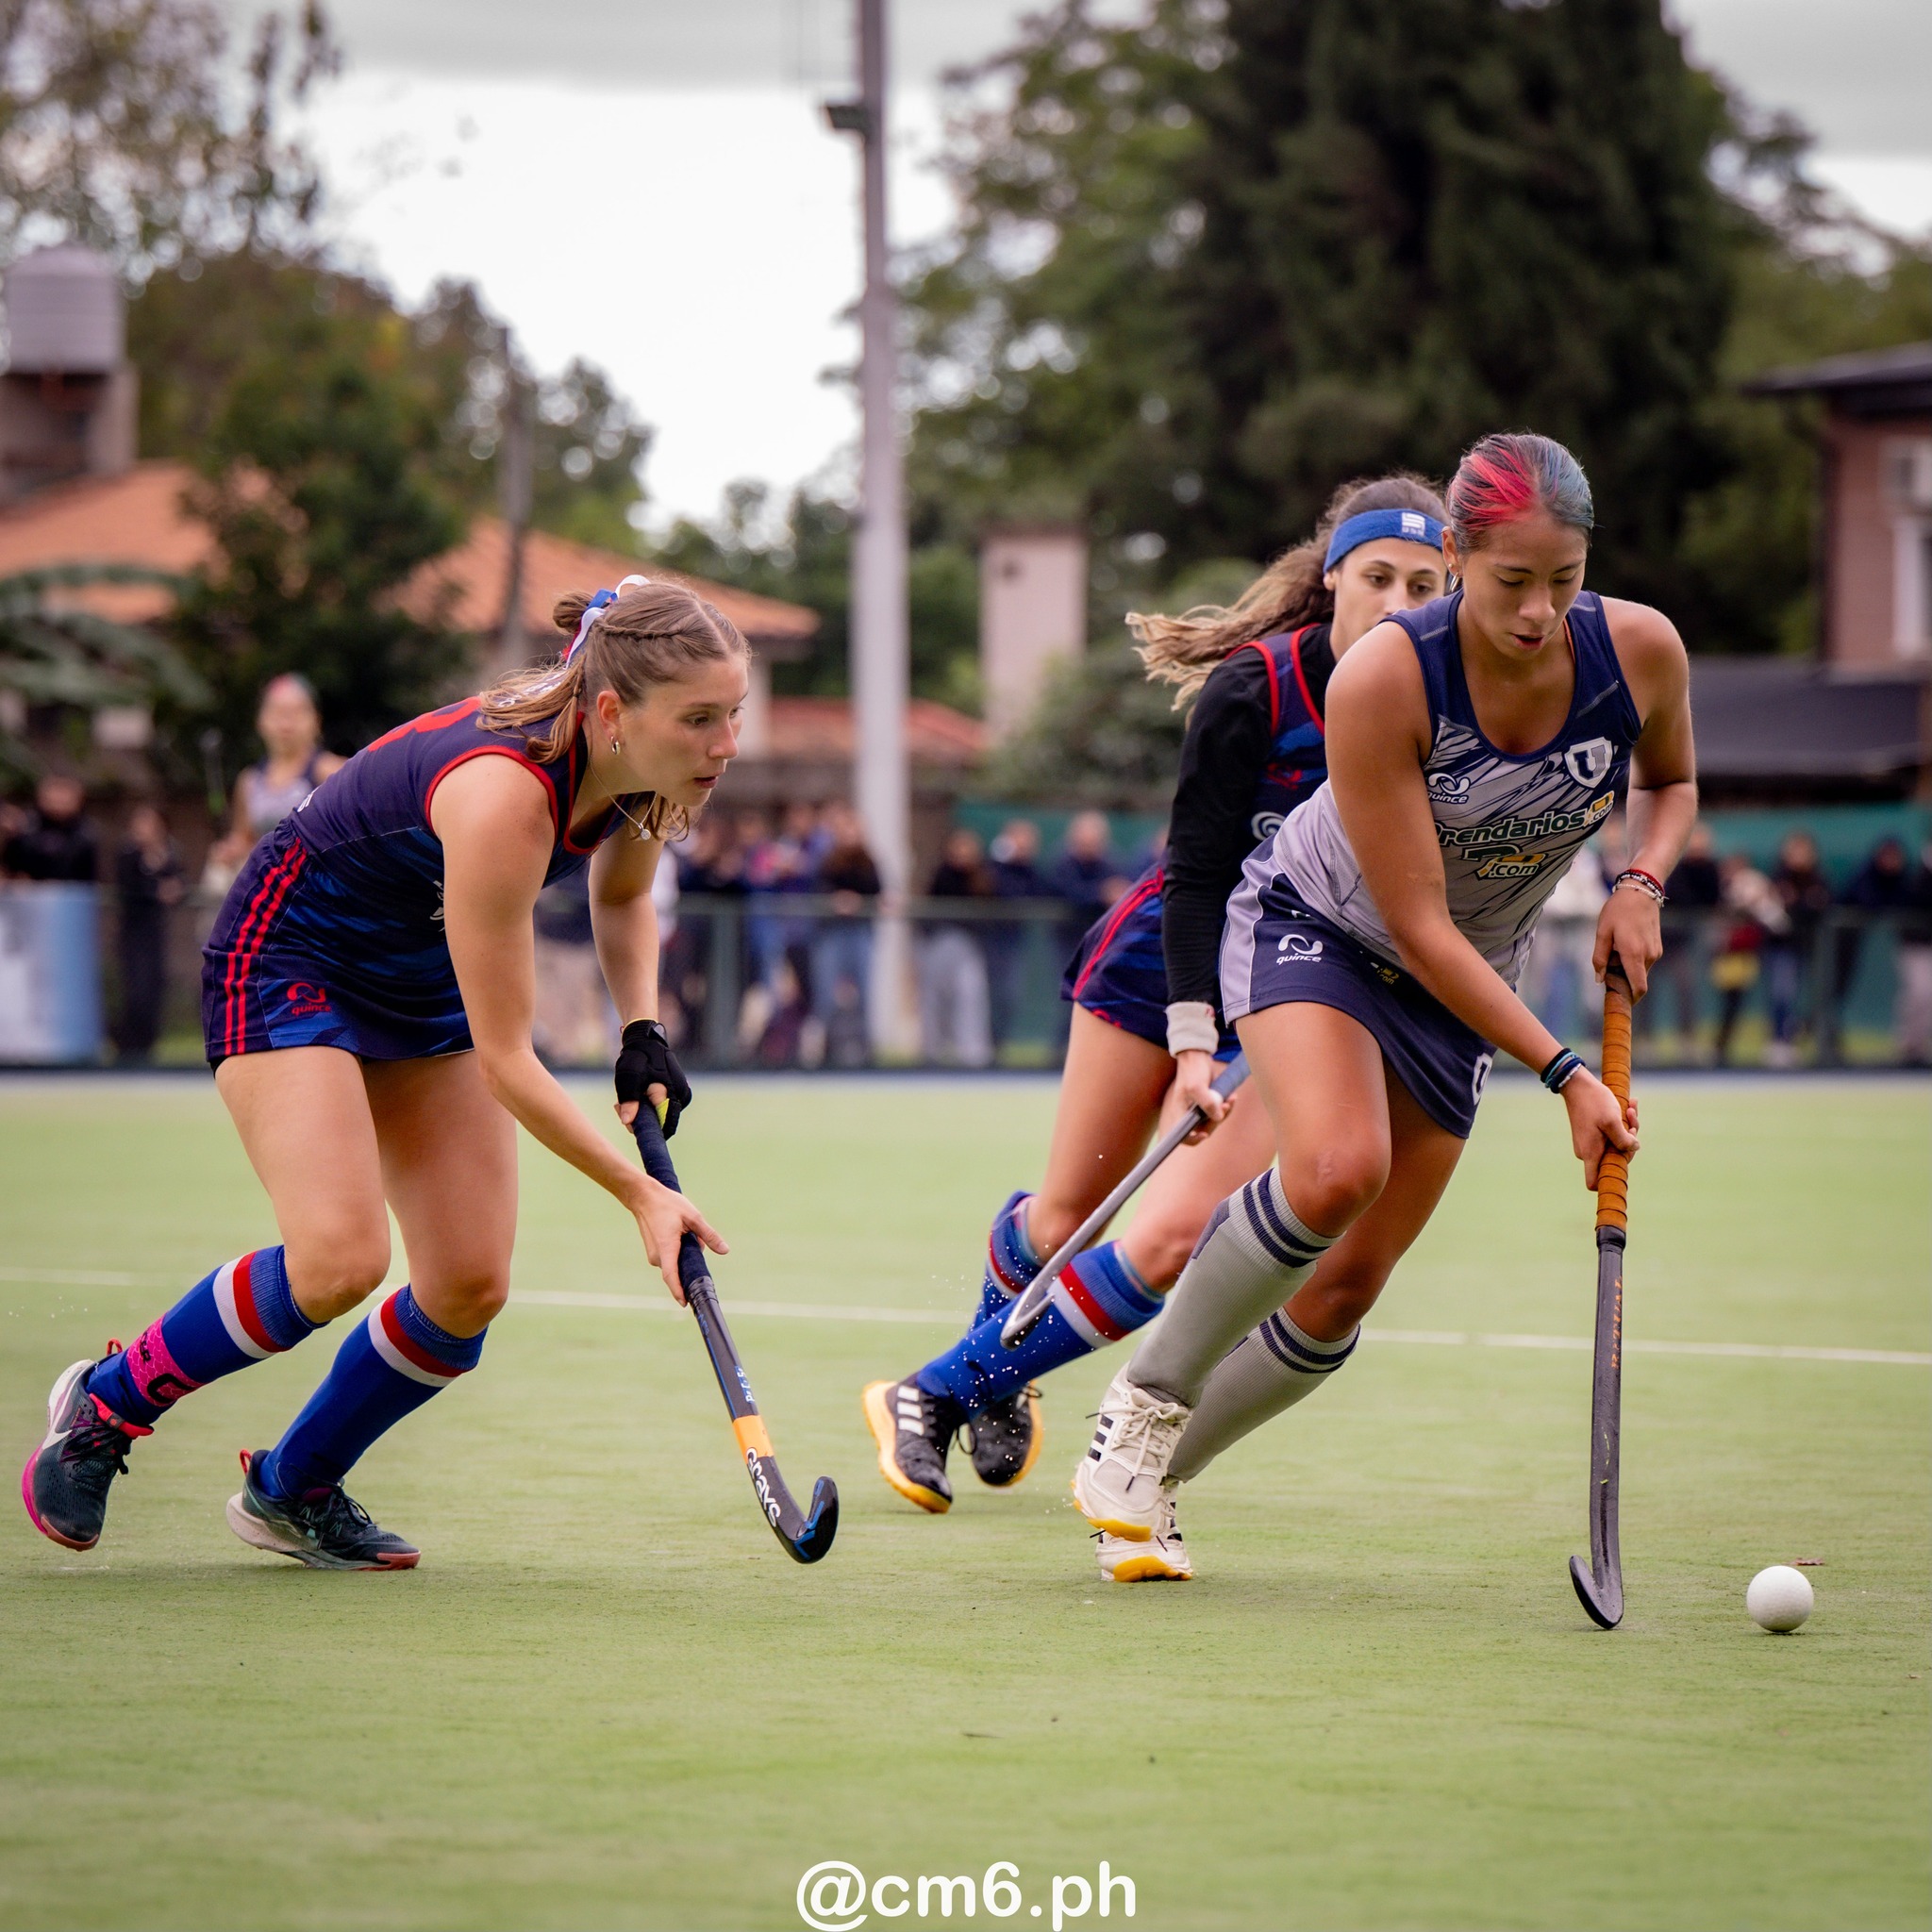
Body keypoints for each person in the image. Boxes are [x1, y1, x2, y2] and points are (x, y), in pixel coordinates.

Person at [1066, 431, 1695, 1585]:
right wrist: (1565, 1071)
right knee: (1333, 1166)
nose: (1537, 613)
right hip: (1327, 928)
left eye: (1562, 580)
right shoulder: (1388, 677)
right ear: (1456, 557)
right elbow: (1414, 923)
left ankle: (1151, 1476)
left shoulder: (1638, 650)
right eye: (1509, 582)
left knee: (1348, 1286)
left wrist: (1641, 879)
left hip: (1465, 981)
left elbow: (1670, 781)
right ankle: (1143, 1396)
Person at [22, 577, 735, 1569]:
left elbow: (621, 899)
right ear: (613, 711)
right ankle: (109, 1400)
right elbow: (507, 1062)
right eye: (701, 718)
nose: (724, 744)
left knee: (467, 1282)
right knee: (336, 1259)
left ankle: (293, 1485)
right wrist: (640, 1194)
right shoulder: (504, 798)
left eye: (732, 714)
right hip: (290, 959)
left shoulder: (647, 772)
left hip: (418, 978)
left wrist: (643, 1027)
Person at [862, 473, 1450, 1521]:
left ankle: (945, 1386)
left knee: (1173, 1233)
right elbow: (1193, 877)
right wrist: (1188, 1043)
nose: (1399, 604)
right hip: (1161, 964)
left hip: (1292, 985)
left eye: (1423, 583)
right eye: (1376, 578)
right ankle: (1000, 1359)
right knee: (1064, 1214)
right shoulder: (1256, 688)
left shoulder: (1440, 710)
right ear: (1330, 578)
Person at [208, 674, 344, 880]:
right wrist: (230, 850)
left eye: (297, 712)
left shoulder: (330, 772)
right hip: (271, 894)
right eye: (277, 712)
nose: (286, 722)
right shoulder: (249, 781)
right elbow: (245, 838)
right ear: (260, 720)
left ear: (316, 720)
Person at [918, 826, 996, 1067]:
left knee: (969, 997)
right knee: (933, 998)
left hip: (970, 945)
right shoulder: (942, 874)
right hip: (940, 942)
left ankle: (972, 1054)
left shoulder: (982, 876)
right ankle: (932, 1052)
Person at [113, 803, 185, 1061]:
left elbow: (179, 885)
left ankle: (146, 1047)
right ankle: (126, 1046)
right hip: (133, 931)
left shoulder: (169, 853)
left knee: (154, 986)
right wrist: (157, 890)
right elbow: (129, 887)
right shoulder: (128, 854)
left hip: (156, 931)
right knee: (136, 989)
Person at [810, 801, 880, 1069]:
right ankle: (825, 1052)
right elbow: (818, 890)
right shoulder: (828, 860)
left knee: (864, 994)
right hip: (832, 933)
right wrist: (835, 901)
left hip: (860, 932)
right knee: (826, 994)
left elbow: (877, 891)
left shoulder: (868, 861)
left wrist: (859, 902)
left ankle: (866, 1052)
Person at [1763, 830, 1830, 1067]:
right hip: (1782, 948)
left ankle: (1810, 1042)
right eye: (1794, 850)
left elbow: (1820, 905)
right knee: (1783, 992)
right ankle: (1780, 1041)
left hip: (1813, 948)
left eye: (1803, 850)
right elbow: (1773, 911)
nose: (1798, 855)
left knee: (1817, 996)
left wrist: (1803, 903)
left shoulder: (1817, 878)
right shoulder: (1779, 878)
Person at [1657, 821, 1722, 1054]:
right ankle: (1643, 1041)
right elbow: (1673, 896)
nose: (1698, 844)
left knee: (1687, 988)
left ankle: (1687, 1039)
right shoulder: (1677, 867)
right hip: (1660, 937)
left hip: (1686, 942)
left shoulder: (1711, 869)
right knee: (1645, 989)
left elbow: (1712, 900)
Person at [3, 772, 97, 881]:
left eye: (64, 794)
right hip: (27, 892)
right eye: (54, 792)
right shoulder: (25, 828)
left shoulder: (86, 835)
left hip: (73, 892)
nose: (58, 799)